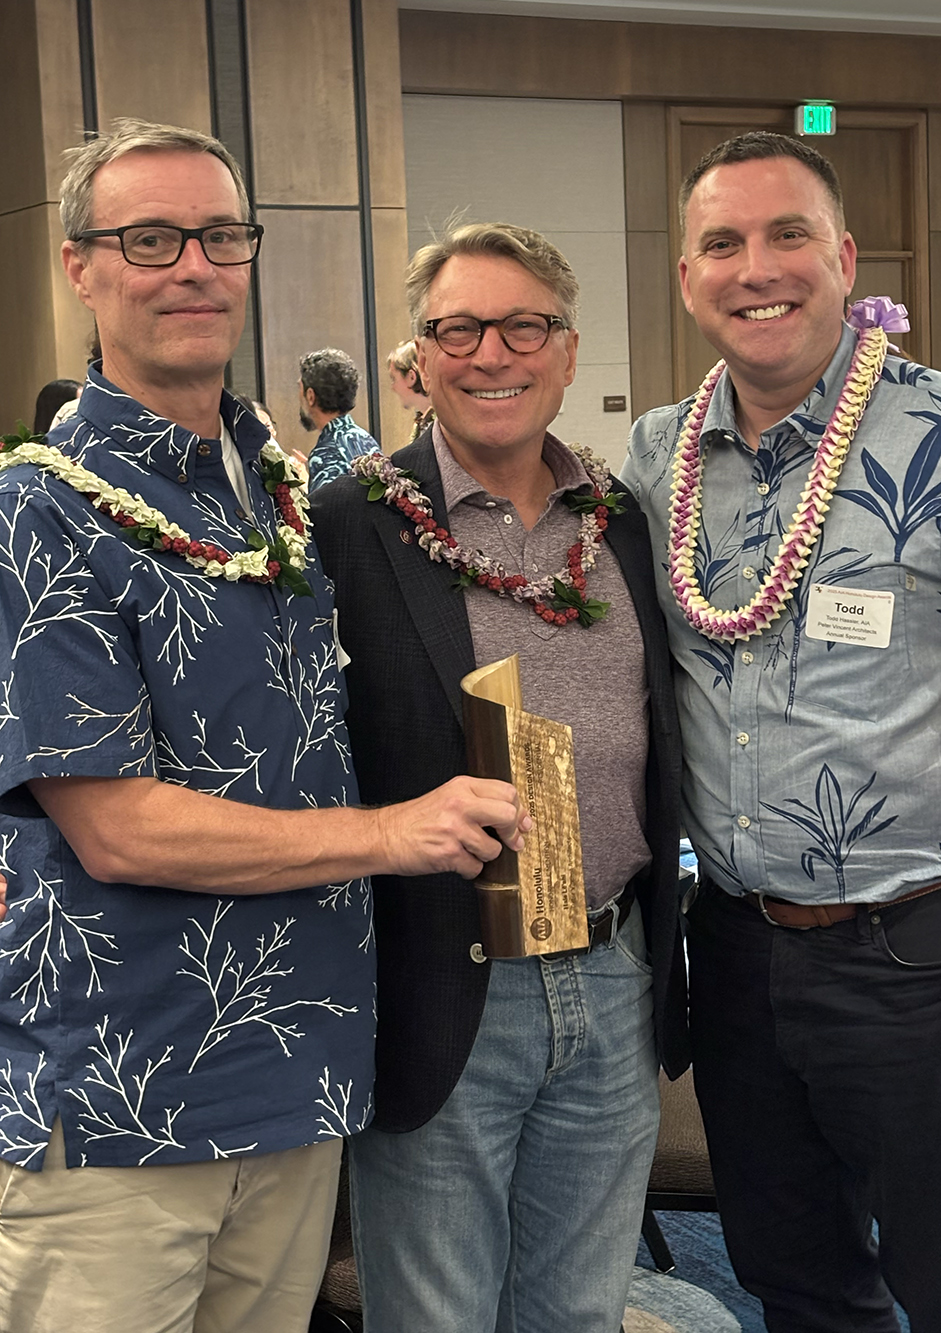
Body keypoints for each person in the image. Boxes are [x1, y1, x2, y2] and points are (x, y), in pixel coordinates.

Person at [0, 119, 526, 1333]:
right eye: (150, 238)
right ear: (80, 266)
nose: (193, 264)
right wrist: (398, 835)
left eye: (220, 235)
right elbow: (118, 827)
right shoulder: (42, 511)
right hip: (129, 1096)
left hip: (302, 1072)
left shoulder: (278, 490)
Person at [623, 130, 941, 1333]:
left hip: (927, 961)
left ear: (842, 259)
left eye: (788, 236)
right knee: (798, 1284)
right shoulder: (652, 459)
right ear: (686, 277)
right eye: (722, 243)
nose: (757, 267)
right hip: (733, 955)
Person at [311, 221, 686, 1333]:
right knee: (436, 1314)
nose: (493, 354)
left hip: (612, 975)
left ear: (568, 353)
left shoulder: (619, 523)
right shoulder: (348, 529)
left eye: (526, 325)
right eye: (458, 328)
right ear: (416, 361)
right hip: (441, 980)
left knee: (577, 1310)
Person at [298, 346, 377, 490]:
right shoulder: (364, 438)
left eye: (300, 388)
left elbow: (326, 511)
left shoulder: (325, 454)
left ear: (310, 396)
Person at [386, 337, 435, 440]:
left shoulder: (444, 426)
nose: (392, 387)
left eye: (394, 378)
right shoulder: (421, 424)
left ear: (411, 377)